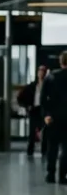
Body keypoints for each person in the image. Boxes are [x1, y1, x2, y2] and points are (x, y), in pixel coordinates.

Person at [41, 53, 67, 183]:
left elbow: (43, 98)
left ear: (60, 62)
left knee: (52, 148)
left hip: (53, 118)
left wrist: (46, 114)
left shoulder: (50, 77)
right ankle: (63, 175)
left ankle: (50, 174)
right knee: (66, 149)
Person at [17, 65, 48, 158]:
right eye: (40, 71)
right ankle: (30, 150)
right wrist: (27, 106)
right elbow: (20, 97)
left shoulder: (48, 86)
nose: (41, 73)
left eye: (43, 72)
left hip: (44, 110)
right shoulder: (32, 86)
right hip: (34, 110)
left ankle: (44, 151)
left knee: (45, 131)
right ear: (37, 73)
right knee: (32, 132)